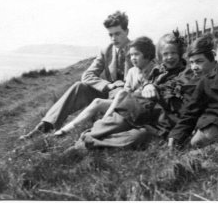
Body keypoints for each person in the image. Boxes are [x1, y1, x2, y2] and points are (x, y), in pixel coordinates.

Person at [19, 11, 133, 140]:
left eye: (117, 34)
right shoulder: (106, 50)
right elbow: (87, 75)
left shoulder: (138, 49)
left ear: (127, 31)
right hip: (109, 93)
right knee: (79, 86)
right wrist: (108, 85)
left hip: (128, 97)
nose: (113, 39)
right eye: (110, 35)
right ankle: (46, 125)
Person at [66, 30, 188, 150]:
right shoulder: (158, 70)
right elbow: (144, 89)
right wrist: (147, 86)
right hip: (141, 110)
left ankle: (88, 144)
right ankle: (84, 140)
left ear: (180, 53)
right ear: (161, 55)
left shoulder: (185, 74)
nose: (170, 57)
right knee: (118, 120)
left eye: (174, 53)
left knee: (135, 137)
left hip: (159, 121)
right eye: (166, 54)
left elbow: (178, 98)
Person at [53, 36, 157, 137]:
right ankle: (66, 129)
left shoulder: (155, 70)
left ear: (147, 55)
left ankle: (102, 124)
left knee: (121, 93)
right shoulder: (131, 71)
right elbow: (127, 90)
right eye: (131, 55)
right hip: (128, 104)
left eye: (137, 54)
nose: (133, 58)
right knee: (98, 101)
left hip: (143, 107)